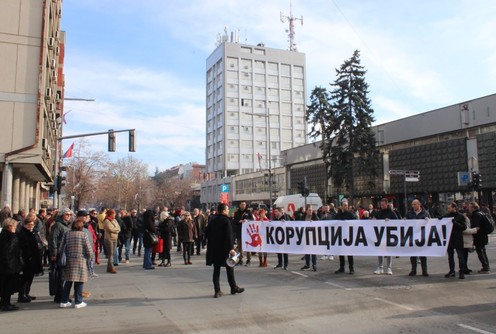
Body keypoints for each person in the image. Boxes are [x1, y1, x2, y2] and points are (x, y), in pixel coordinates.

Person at [206, 203, 244, 298]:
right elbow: (229, 236)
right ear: (223, 211)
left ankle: (217, 290)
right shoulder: (226, 221)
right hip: (225, 249)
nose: (228, 211)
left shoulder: (212, 220)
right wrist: (231, 248)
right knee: (229, 268)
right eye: (227, 210)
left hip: (214, 249)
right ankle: (233, 287)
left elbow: (206, 233)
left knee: (216, 270)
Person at [59, 217, 93, 309]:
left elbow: (61, 247)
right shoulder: (83, 235)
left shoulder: (67, 234)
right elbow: (89, 250)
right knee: (79, 282)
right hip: (80, 260)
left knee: (68, 281)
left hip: (69, 260)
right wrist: (88, 258)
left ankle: (64, 301)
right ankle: (78, 301)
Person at [17, 213, 43, 303]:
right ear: (25, 225)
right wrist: (29, 256)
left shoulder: (31, 233)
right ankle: (22, 295)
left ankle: (26, 293)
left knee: (30, 277)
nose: (31, 226)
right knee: (25, 278)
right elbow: (23, 246)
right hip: (27, 259)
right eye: (29, 225)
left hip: (33, 258)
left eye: (32, 225)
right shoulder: (22, 233)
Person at [48, 208, 72, 303]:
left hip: (64, 252)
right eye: (67, 214)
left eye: (70, 214)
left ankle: (60, 294)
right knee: (60, 275)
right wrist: (53, 253)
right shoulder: (58, 225)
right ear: (62, 215)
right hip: (59, 253)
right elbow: (53, 239)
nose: (68, 216)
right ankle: (60, 295)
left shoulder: (66, 225)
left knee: (62, 275)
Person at [0, 218, 23, 311]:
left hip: (10, 264)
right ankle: (5, 304)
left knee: (8, 285)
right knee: (7, 285)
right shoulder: (7, 237)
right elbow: (6, 252)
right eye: (14, 226)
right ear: (10, 227)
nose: (16, 228)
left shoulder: (8, 235)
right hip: (8, 265)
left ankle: (6, 302)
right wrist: (9, 264)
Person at [372, 198, 398, 275]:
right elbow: (375, 219)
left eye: (383, 205)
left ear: (387, 204)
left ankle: (389, 268)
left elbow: (397, 221)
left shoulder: (391, 212)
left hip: (389, 234)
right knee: (380, 251)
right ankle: (380, 267)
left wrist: (390, 221)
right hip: (380, 234)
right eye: (381, 205)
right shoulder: (379, 212)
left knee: (388, 251)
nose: (382, 206)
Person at [407, 199, 431, 276]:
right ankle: (413, 270)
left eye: (414, 204)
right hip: (413, 235)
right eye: (412, 205)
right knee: (413, 253)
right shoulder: (409, 214)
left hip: (422, 236)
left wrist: (428, 220)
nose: (413, 206)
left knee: (423, 254)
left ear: (419, 204)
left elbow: (431, 223)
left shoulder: (425, 213)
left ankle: (424, 270)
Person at [443, 202, 467, 279]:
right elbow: (441, 218)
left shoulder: (460, 216)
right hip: (450, 238)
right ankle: (452, 271)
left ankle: (462, 272)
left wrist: (455, 223)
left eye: (449, 208)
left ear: (454, 208)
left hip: (457, 238)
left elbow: (464, 227)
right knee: (450, 256)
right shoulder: (447, 216)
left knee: (460, 256)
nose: (448, 209)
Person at [334, 200, 357, 274]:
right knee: (341, 253)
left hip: (348, 236)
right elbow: (333, 222)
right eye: (344, 205)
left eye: (346, 205)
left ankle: (351, 268)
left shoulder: (350, 214)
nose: (346, 206)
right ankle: (342, 268)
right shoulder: (338, 215)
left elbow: (356, 221)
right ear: (341, 206)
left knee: (349, 253)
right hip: (340, 235)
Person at [468, 202, 490, 273]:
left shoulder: (476, 215)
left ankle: (485, 267)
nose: (469, 209)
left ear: (473, 208)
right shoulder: (481, 213)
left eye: (470, 207)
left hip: (479, 236)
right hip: (483, 235)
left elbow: (476, 227)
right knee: (483, 251)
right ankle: (486, 266)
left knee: (480, 251)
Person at [301, 204, 319, 271]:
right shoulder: (303, 217)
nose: (311, 211)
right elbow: (297, 223)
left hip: (313, 236)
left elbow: (319, 223)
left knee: (313, 251)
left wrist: (314, 222)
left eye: (311, 210)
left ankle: (314, 264)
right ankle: (307, 264)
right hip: (305, 236)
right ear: (306, 211)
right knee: (307, 251)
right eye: (309, 210)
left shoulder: (315, 217)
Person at [103, 209, 120, 274]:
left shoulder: (115, 220)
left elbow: (119, 228)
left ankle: (108, 267)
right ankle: (111, 267)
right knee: (111, 254)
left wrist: (116, 230)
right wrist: (116, 230)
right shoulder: (106, 220)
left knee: (113, 253)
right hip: (109, 238)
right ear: (110, 214)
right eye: (114, 214)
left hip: (115, 238)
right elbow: (110, 229)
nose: (115, 215)